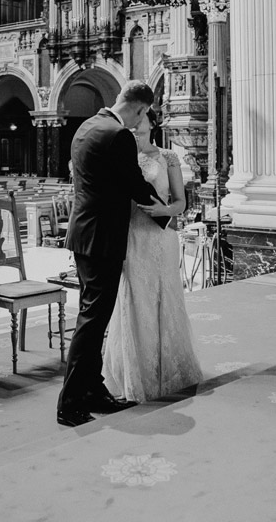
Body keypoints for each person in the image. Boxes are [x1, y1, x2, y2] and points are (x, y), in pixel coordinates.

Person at [57, 80, 161, 427]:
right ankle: (70, 402)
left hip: (83, 234)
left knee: (93, 316)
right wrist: (168, 214)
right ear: (141, 108)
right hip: (102, 238)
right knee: (92, 321)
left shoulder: (87, 125)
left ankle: (93, 389)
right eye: (144, 115)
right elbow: (135, 186)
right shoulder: (119, 135)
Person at [102, 109, 203, 402]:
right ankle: (135, 375)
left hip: (160, 237)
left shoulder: (168, 157)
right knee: (135, 304)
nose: (134, 125)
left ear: (152, 123)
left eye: (140, 119)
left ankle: (167, 372)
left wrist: (165, 210)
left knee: (164, 301)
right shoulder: (123, 156)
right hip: (132, 237)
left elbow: (181, 202)